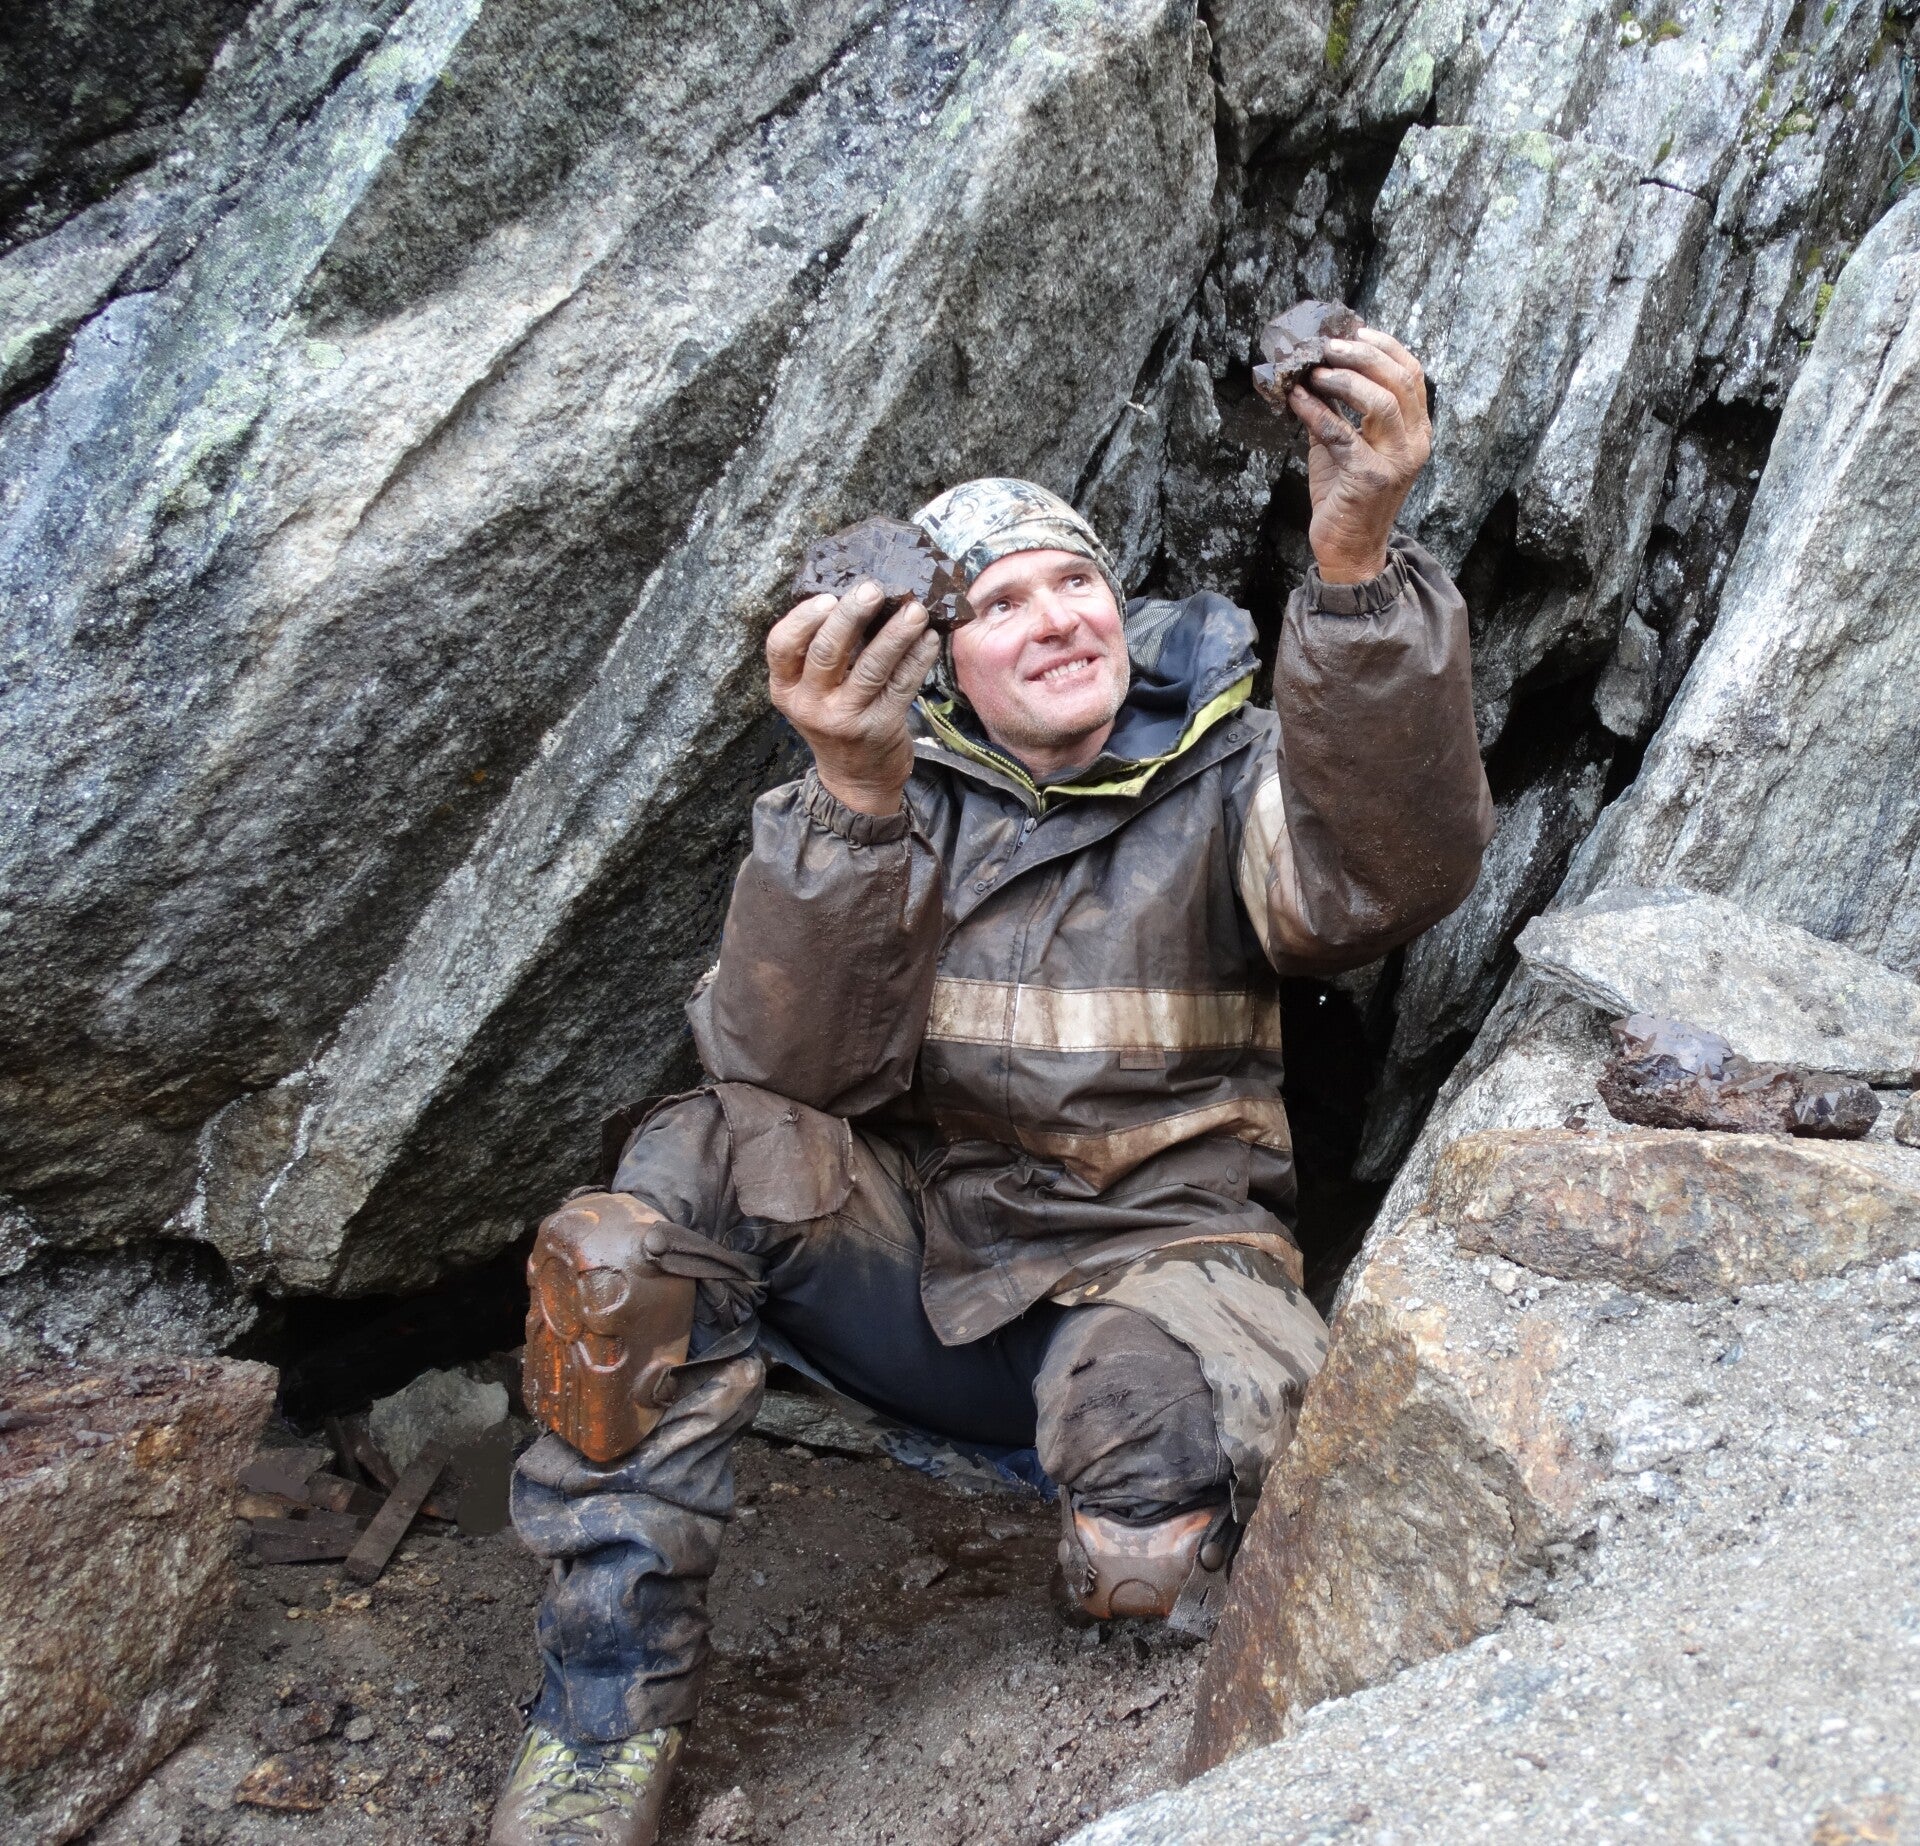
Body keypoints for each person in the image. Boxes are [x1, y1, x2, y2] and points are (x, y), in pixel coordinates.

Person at [488, 325, 1492, 1846]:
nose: (1057, 619)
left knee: (1144, 1513)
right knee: (665, 1193)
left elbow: (1374, 882)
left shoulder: (1234, 768)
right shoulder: (878, 790)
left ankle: (1126, 1516)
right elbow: (782, 1078)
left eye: (1076, 581)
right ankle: (599, 1711)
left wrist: (1352, 561)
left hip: (1162, 1268)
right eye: (1003, 600)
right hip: (934, 1272)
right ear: (942, 651)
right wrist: (854, 800)